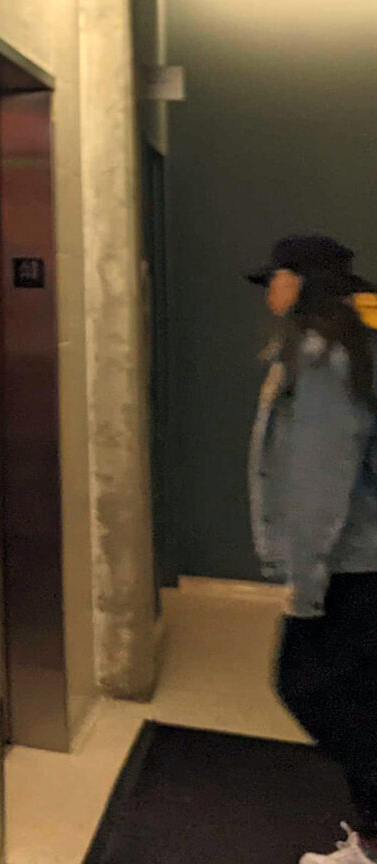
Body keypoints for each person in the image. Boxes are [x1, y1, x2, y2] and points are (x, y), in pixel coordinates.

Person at [249, 235, 377, 864]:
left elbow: (320, 481)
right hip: (365, 560)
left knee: (307, 685)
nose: (266, 293)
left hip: (354, 564)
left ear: (297, 284)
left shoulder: (325, 358)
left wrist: (305, 583)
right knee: (360, 694)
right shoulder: (356, 341)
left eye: (272, 279)